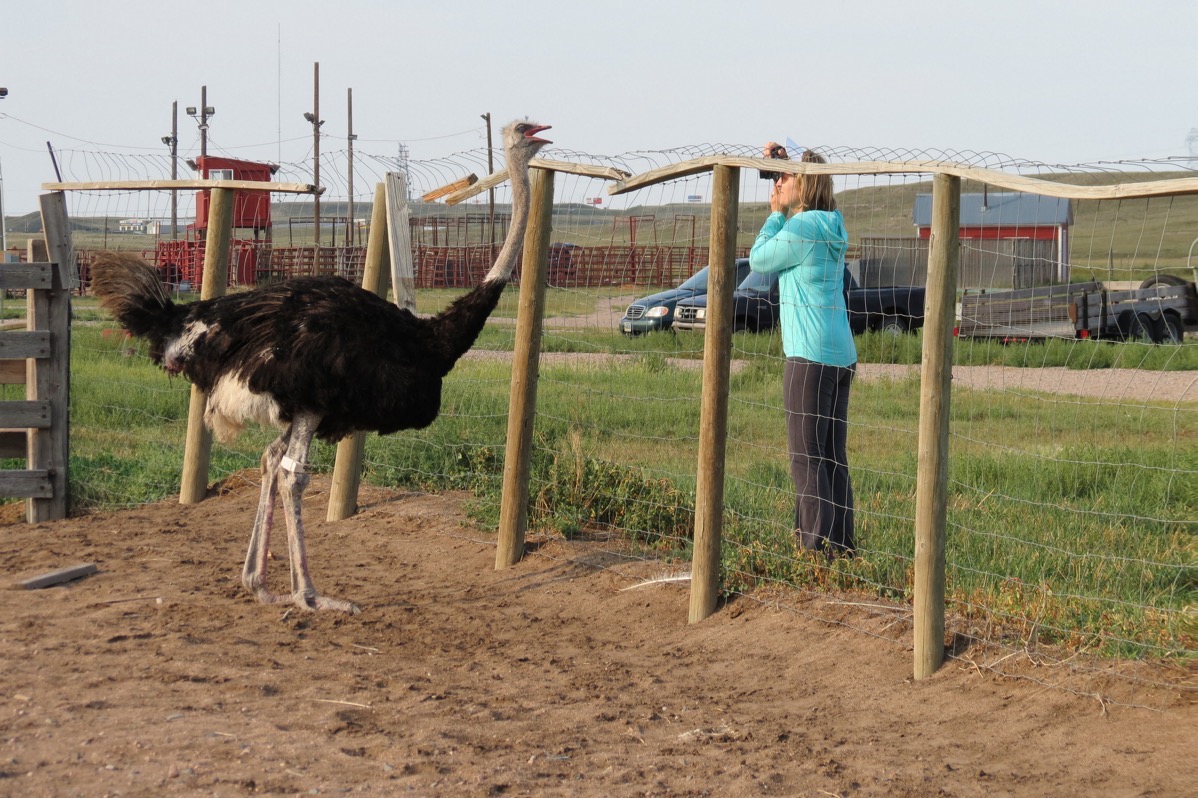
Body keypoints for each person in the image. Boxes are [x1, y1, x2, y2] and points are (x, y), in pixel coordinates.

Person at [749, 144, 857, 556]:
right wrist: (783, 153)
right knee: (832, 457)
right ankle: (842, 548)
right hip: (840, 354)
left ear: (804, 183)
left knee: (806, 459)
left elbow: (759, 260)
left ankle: (815, 552)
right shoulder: (832, 223)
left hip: (808, 357)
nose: (777, 184)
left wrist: (775, 213)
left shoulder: (802, 228)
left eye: (784, 176)